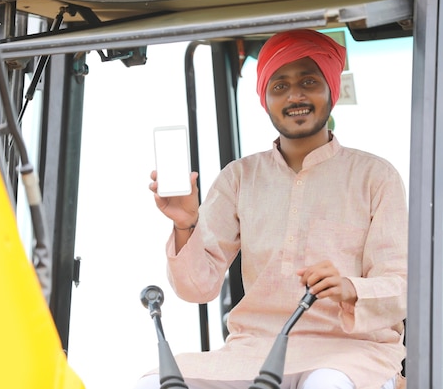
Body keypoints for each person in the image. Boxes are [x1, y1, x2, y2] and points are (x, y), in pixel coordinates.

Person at [138, 29, 407, 389]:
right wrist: (186, 224)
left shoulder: (375, 176)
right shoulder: (239, 177)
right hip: (253, 350)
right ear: (265, 100)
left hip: (353, 353)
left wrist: (348, 287)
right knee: (153, 381)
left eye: (309, 81)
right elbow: (196, 289)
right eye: (279, 86)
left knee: (326, 385)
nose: (294, 95)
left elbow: (402, 286)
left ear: (332, 89)